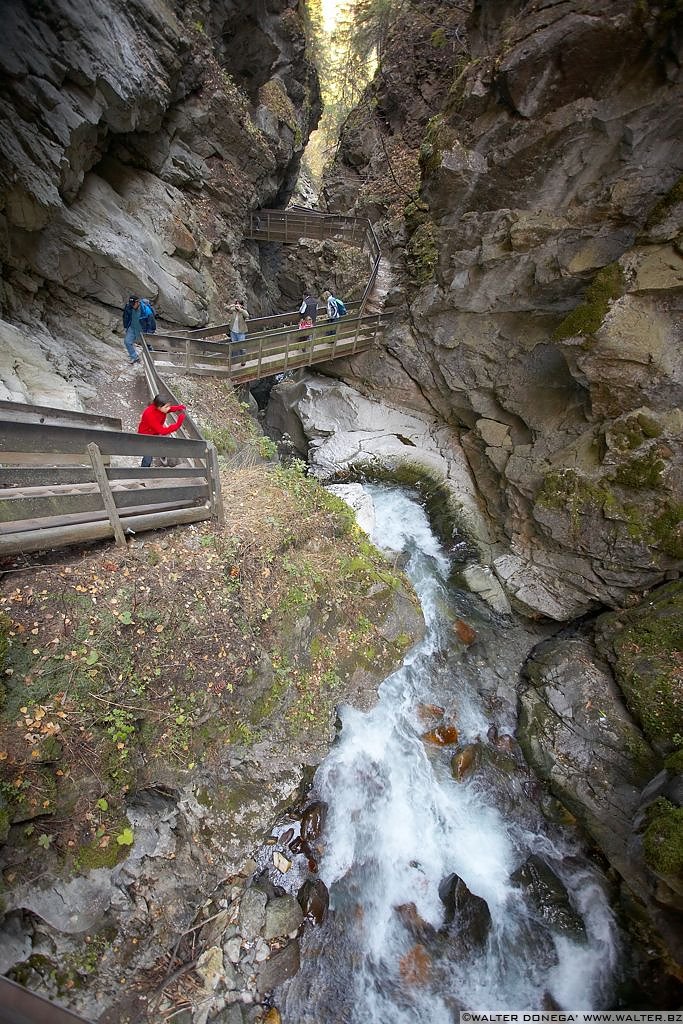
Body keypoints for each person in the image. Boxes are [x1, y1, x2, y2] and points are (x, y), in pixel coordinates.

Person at [137, 395, 186, 468]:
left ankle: (162, 455)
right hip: (145, 437)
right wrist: (178, 424)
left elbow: (168, 409)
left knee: (162, 443)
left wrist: (178, 408)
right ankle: (143, 471)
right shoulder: (150, 414)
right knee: (148, 457)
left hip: (154, 433)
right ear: (159, 407)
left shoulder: (159, 408)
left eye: (169, 406)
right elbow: (163, 431)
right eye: (167, 406)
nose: (169, 408)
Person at [122, 295, 143, 364]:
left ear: (137, 302)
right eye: (131, 304)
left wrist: (150, 330)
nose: (132, 305)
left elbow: (150, 319)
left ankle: (152, 359)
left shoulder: (144, 308)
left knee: (147, 344)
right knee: (127, 341)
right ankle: (134, 357)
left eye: (133, 304)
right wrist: (126, 326)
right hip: (132, 327)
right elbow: (125, 316)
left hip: (142, 328)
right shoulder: (128, 306)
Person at [228, 299, 249, 365]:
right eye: (236, 303)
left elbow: (247, 315)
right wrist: (230, 306)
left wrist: (241, 310)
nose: (237, 305)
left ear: (241, 305)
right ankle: (233, 361)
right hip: (233, 332)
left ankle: (243, 361)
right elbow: (226, 309)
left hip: (241, 332)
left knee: (242, 347)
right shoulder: (233, 310)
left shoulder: (243, 311)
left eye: (239, 304)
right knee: (234, 347)